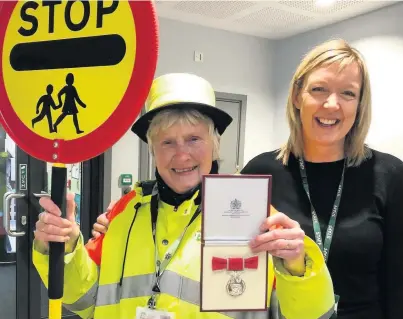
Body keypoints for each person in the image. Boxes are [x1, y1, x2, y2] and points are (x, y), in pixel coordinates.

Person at [34, 73, 335, 319]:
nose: (181, 154)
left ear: (214, 146)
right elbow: (84, 300)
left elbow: (311, 315)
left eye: (194, 139)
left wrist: (298, 265)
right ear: (152, 151)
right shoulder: (124, 211)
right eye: (167, 142)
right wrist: (63, 248)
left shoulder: (252, 213)